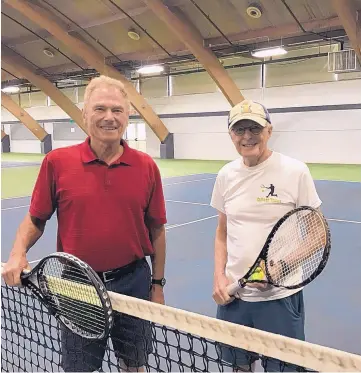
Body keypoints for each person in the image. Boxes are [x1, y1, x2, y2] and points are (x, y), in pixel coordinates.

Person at [2, 75, 167, 372]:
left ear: (127, 115)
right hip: (77, 284)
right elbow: (36, 218)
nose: (109, 117)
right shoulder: (57, 162)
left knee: (135, 365)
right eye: (100, 109)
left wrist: (157, 285)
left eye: (117, 110)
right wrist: (17, 253)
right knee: (80, 368)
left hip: (133, 281)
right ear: (84, 115)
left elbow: (156, 228)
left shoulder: (146, 166)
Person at [211, 100, 322, 372]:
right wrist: (219, 277)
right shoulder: (226, 175)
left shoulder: (295, 171)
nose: (247, 136)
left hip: (280, 300)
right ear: (231, 135)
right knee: (239, 368)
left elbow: (318, 234)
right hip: (235, 299)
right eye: (239, 130)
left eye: (254, 129)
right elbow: (222, 233)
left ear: (269, 131)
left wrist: (282, 266)